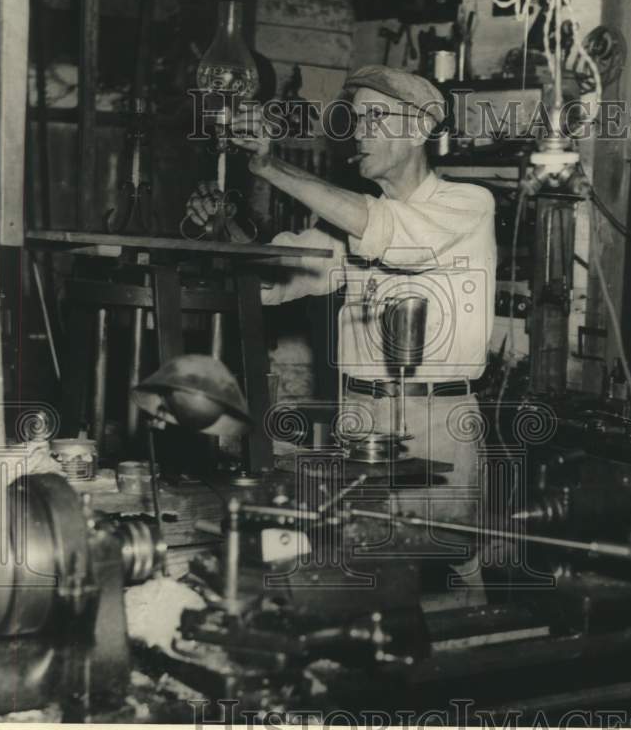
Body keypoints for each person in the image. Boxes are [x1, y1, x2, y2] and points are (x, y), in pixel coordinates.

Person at [185, 65, 496, 601]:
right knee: (358, 566)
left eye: (377, 117)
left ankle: (471, 666)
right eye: (356, 118)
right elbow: (276, 280)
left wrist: (269, 164)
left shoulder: (467, 205)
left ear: (421, 128)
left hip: (435, 419)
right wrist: (224, 231)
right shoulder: (347, 224)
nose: (359, 130)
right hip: (359, 417)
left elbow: (388, 233)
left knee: (444, 562)